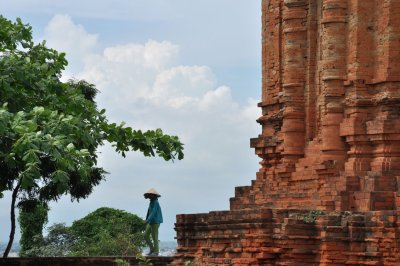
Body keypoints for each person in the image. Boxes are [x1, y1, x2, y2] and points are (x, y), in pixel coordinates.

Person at [143, 188, 163, 256]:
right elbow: (149, 212)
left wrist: (147, 220)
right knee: (145, 235)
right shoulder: (151, 202)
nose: (150, 196)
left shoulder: (156, 202)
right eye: (149, 195)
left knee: (155, 237)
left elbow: (153, 213)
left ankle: (156, 252)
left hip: (156, 221)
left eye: (151, 195)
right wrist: (146, 220)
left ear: (154, 195)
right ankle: (152, 249)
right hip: (150, 221)